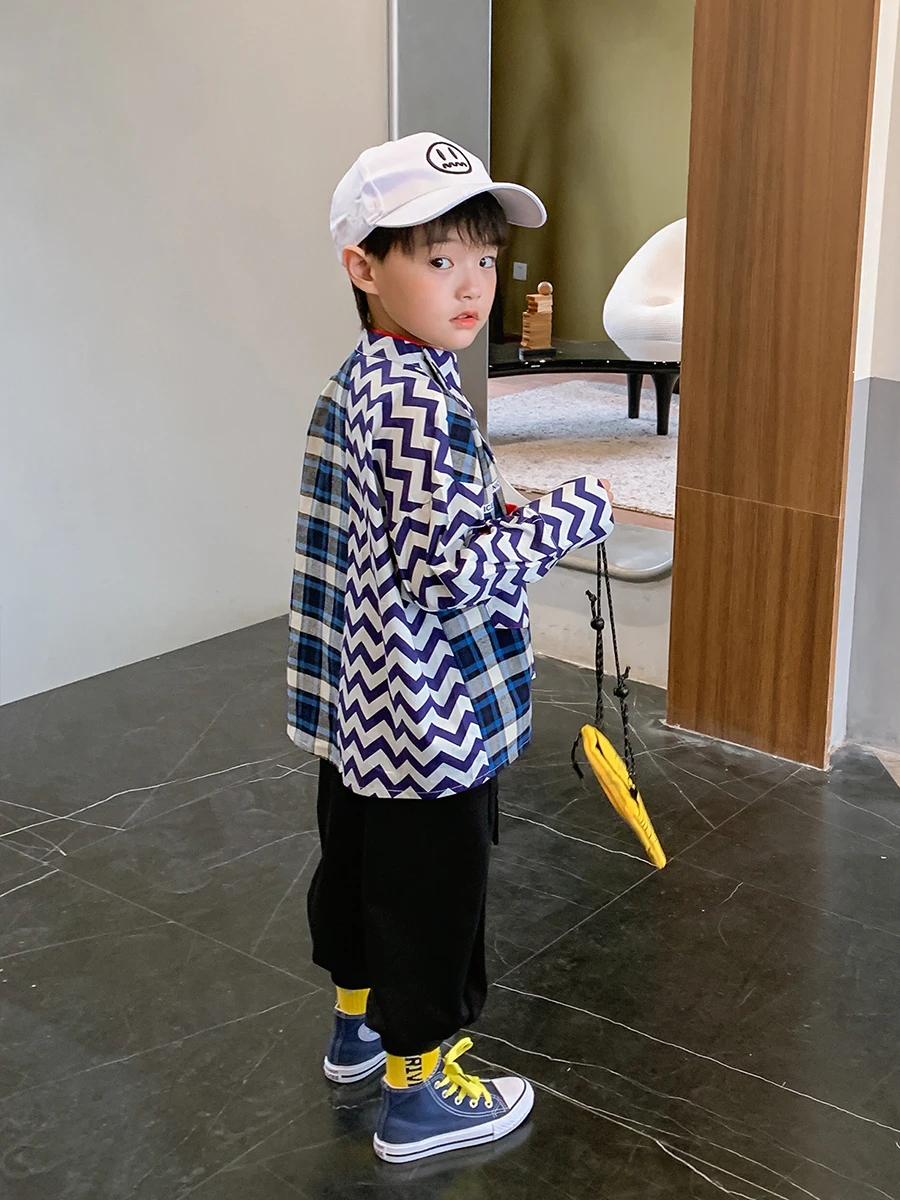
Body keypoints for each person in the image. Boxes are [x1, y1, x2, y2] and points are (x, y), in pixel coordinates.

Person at [286, 132, 614, 1165]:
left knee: (360, 870)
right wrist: (573, 513)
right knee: (433, 898)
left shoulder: (368, 376)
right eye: (437, 260)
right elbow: (455, 574)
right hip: (429, 715)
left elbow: (396, 530)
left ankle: (356, 1030)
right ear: (363, 266)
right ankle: (420, 1097)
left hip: (365, 706)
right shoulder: (420, 399)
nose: (472, 285)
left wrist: (488, 507)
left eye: (485, 257)